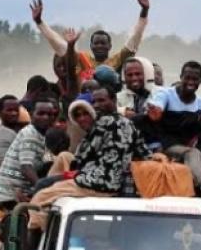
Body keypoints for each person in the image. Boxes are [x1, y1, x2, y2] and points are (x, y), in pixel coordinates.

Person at [28, 86, 152, 229]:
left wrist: (69, 173)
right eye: (94, 102)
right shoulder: (129, 124)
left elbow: (83, 158)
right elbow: (145, 153)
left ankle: (40, 240)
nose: (97, 105)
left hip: (95, 183)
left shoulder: (103, 123)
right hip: (113, 181)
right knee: (61, 163)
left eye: (101, 100)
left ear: (113, 100)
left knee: (40, 198)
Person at [143, 61, 201, 201]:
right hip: (164, 144)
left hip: (186, 145)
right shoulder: (166, 94)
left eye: (195, 79)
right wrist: (156, 110)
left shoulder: (200, 104)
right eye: (187, 78)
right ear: (181, 77)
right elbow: (155, 110)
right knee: (193, 153)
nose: (190, 82)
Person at [30, 0, 150, 76]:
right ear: (91, 46)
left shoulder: (118, 59)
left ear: (110, 46)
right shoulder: (83, 60)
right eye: (96, 43)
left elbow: (134, 39)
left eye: (103, 43)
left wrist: (144, 11)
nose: (99, 46)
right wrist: (40, 22)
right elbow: (62, 47)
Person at [0, 97, 56, 209]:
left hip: (23, 190)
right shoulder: (30, 134)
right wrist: (42, 188)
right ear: (31, 115)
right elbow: (26, 167)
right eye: (41, 113)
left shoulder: (45, 136)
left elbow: (48, 162)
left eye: (50, 114)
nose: (46, 117)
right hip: (11, 194)